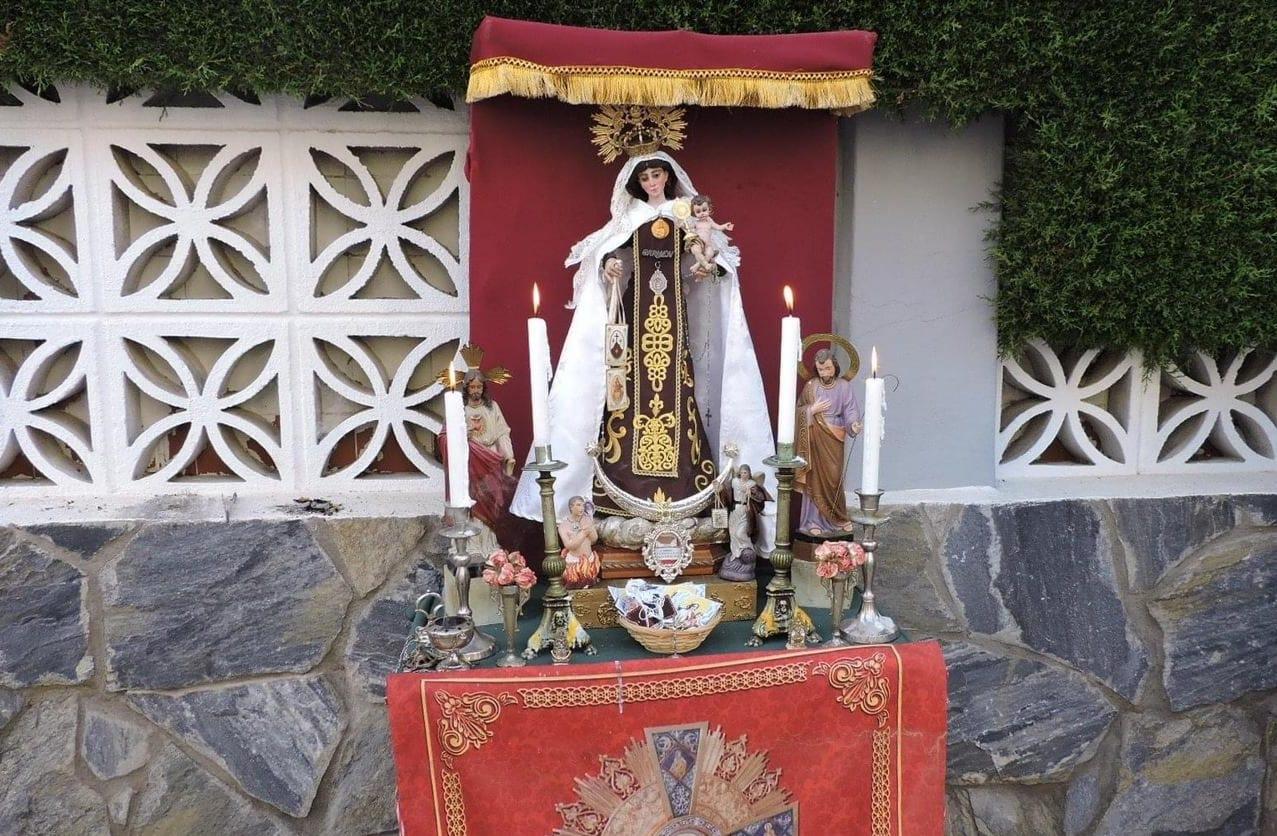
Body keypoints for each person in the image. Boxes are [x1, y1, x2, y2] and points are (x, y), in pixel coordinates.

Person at [509, 152, 775, 552]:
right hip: (635, 316)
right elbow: (607, 256)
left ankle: (685, 484)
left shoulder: (684, 213)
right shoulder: (629, 219)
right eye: (646, 177)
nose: (653, 182)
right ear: (637, 183)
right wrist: (610, 268)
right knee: (632, 390)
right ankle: (622, 483)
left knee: (677, 385)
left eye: (658, 175)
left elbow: (712, 259)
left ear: (668, 177)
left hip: (674, 312)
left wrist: (706, 268)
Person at [438, 370, 517, 532]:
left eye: (479, 387)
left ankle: (489, 540)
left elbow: (502, 432)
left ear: (484, 388)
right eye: (472, 387)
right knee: (472, 497)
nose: (476, 390)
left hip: (491, 459)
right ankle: (471, 540)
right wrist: (463, 434)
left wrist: (508, 455)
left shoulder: (492, 407)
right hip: (470, 460)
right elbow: (446, 436)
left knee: (491, 499)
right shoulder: (460, 409)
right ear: (466, 388)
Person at [795, 348, 863, 536]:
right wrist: (811, 410)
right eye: (820, 369)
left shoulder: (844, 386)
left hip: (835, 437)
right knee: (815, 478)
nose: (824, 373)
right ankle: (812, 522)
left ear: (835, 367)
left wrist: (853, 425)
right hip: (815, 436)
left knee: (834, 480)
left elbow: (850, 410)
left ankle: (838, 518)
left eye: (827, 368)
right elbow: (798, 410)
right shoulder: (811, 386)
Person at [719, 464, 771, 582]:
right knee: (732, 533)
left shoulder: (752, 484)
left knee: (740, 532)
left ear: (749, 473)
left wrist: (751, 494)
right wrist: (719, 488)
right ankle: (736, 553)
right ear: (739, 473)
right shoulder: (735, 482)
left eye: (746, 473)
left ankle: (747, 549)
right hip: (734, 510)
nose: (744, 475)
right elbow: (726, 491)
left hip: (745, 511)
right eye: (742, 472)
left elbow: (760, 497)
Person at [684, 194, 735, 275]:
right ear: (694, 213)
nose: (702, 213)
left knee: (710, 253)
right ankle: (705, 265)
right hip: (698, 242)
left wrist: (725, 226)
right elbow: (689, 230)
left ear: (709, 209)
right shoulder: (696, 222)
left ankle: (697, 266)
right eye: (698, 212)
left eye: (704, 210)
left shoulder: (709, 221)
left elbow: (718, 227)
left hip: (708, 245)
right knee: (696, 250)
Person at [559, 496, 600, 589]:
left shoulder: (587, 520)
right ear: (571, 507)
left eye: (582, 505)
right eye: (578, 505)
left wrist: (590, 530)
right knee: (574, 585)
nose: (581, 508)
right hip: (574, 564)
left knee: (589, 585)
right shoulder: (564, 526)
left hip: (589, 561)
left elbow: (594, 540)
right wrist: (583, 533)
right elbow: (570, 546)